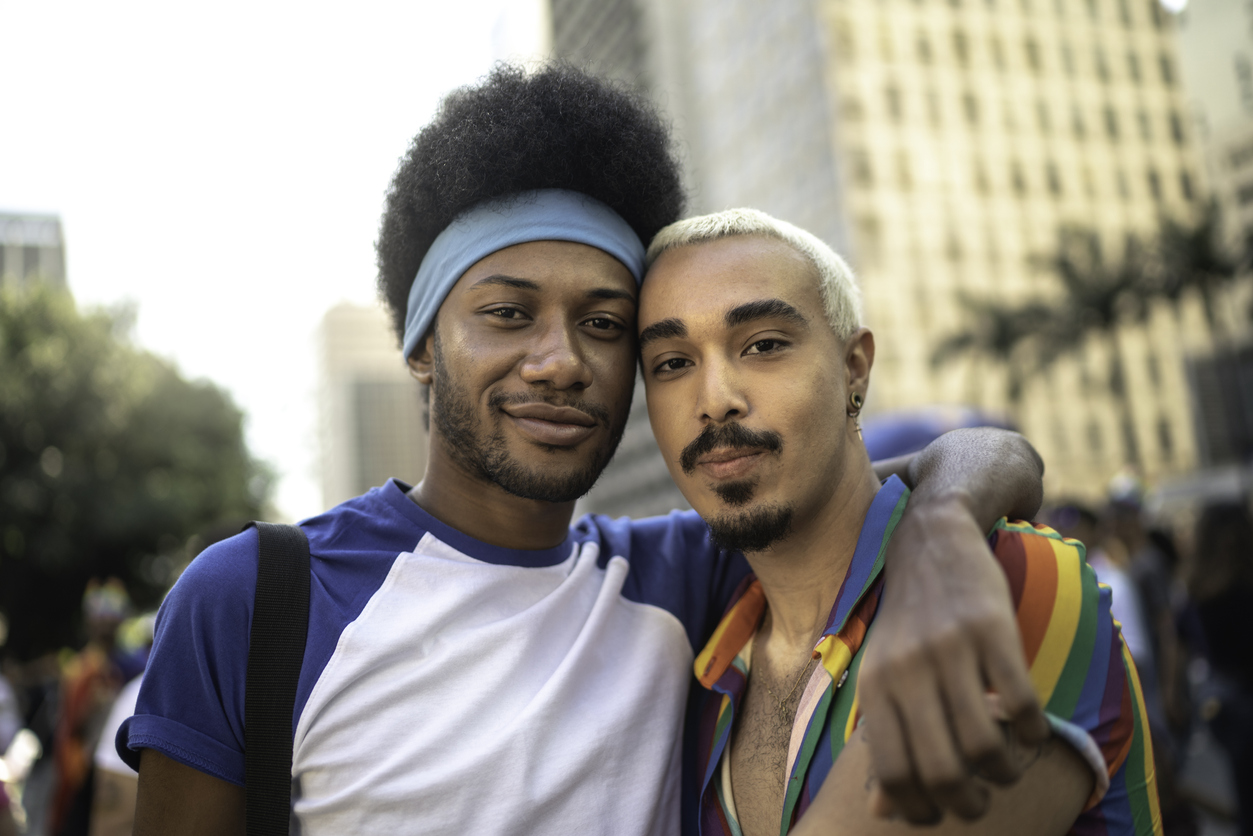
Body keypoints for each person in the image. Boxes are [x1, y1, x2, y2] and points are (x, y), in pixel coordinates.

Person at [121, 65, 1051, 834]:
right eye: (506, 314)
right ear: (419, 351)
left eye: (603, 324)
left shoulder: (682, 574)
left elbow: (976, 455)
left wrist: (941, 541)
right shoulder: (256, 598)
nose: (560, 362)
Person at [636, 209, 1162, 835]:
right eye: (671, 363)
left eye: (764, 345)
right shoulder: (703, 652)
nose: (714, 397)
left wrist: (945, 522)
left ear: (854, 368)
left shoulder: (993, 581)